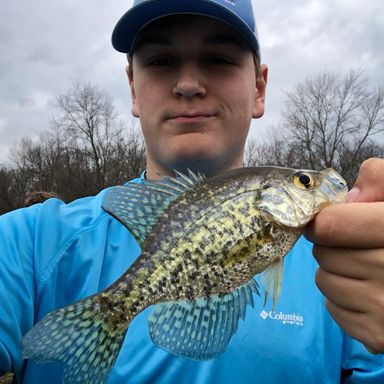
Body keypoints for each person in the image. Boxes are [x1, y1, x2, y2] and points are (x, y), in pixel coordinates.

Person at [1, 0, 384, 383]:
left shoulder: (354, 270)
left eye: (217, 58)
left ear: (259, 88)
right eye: (161, 60)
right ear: (133, 89)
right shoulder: (26, 245)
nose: (187, 85)